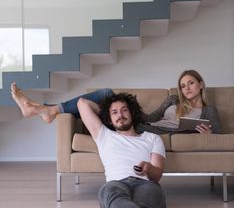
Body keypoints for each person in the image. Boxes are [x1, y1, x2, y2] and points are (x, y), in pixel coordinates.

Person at [77, 92, 166, 208]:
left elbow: (157, 175)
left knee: (148, 195)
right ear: (108, 119)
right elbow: (82, 103)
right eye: (115, 112)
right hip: (117, 184)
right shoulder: (104, 135)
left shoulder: (152, 138)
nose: (121, 115)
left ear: (132, 113)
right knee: (109, 190)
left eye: (125, 110)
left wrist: (148, 168)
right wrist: (105, 111)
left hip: (146, 184)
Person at [11, 69, 221, 134]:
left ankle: (46, 110)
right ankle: (49, 110)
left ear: (201, 84)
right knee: (105, 94)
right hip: (142, 124)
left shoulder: (208, 111)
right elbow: (152, 118)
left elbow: (219, 135)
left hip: (153, 133)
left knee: (100, 99)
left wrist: (209, 134)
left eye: (191, 83)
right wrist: (131, 109)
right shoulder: (173, 99)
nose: (187, 88)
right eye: (183, 85)